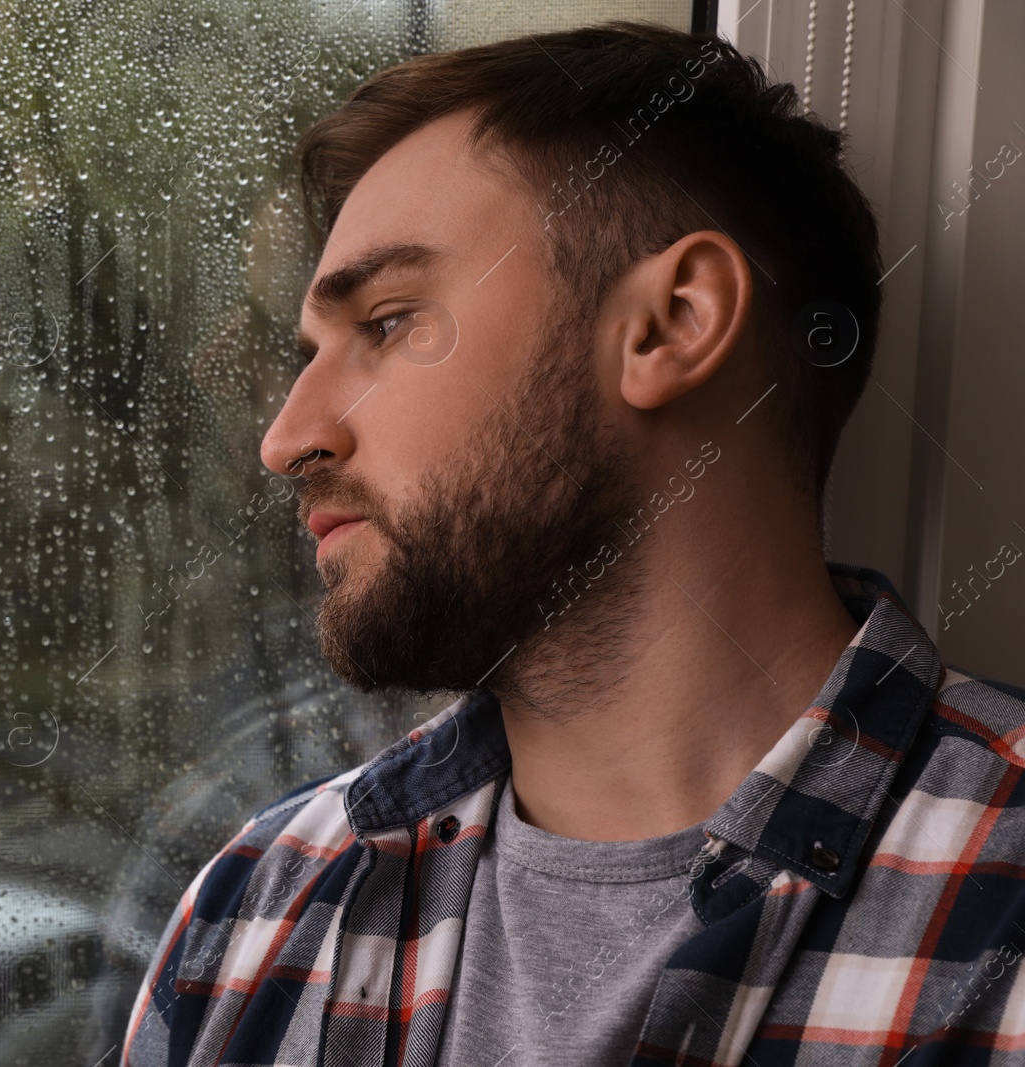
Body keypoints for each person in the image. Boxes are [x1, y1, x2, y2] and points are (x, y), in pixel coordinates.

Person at [121, 21, 1025, 1067]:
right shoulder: (259, 905)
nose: (286, 438)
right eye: (306, 354)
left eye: (387, 321)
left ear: (671, 323)